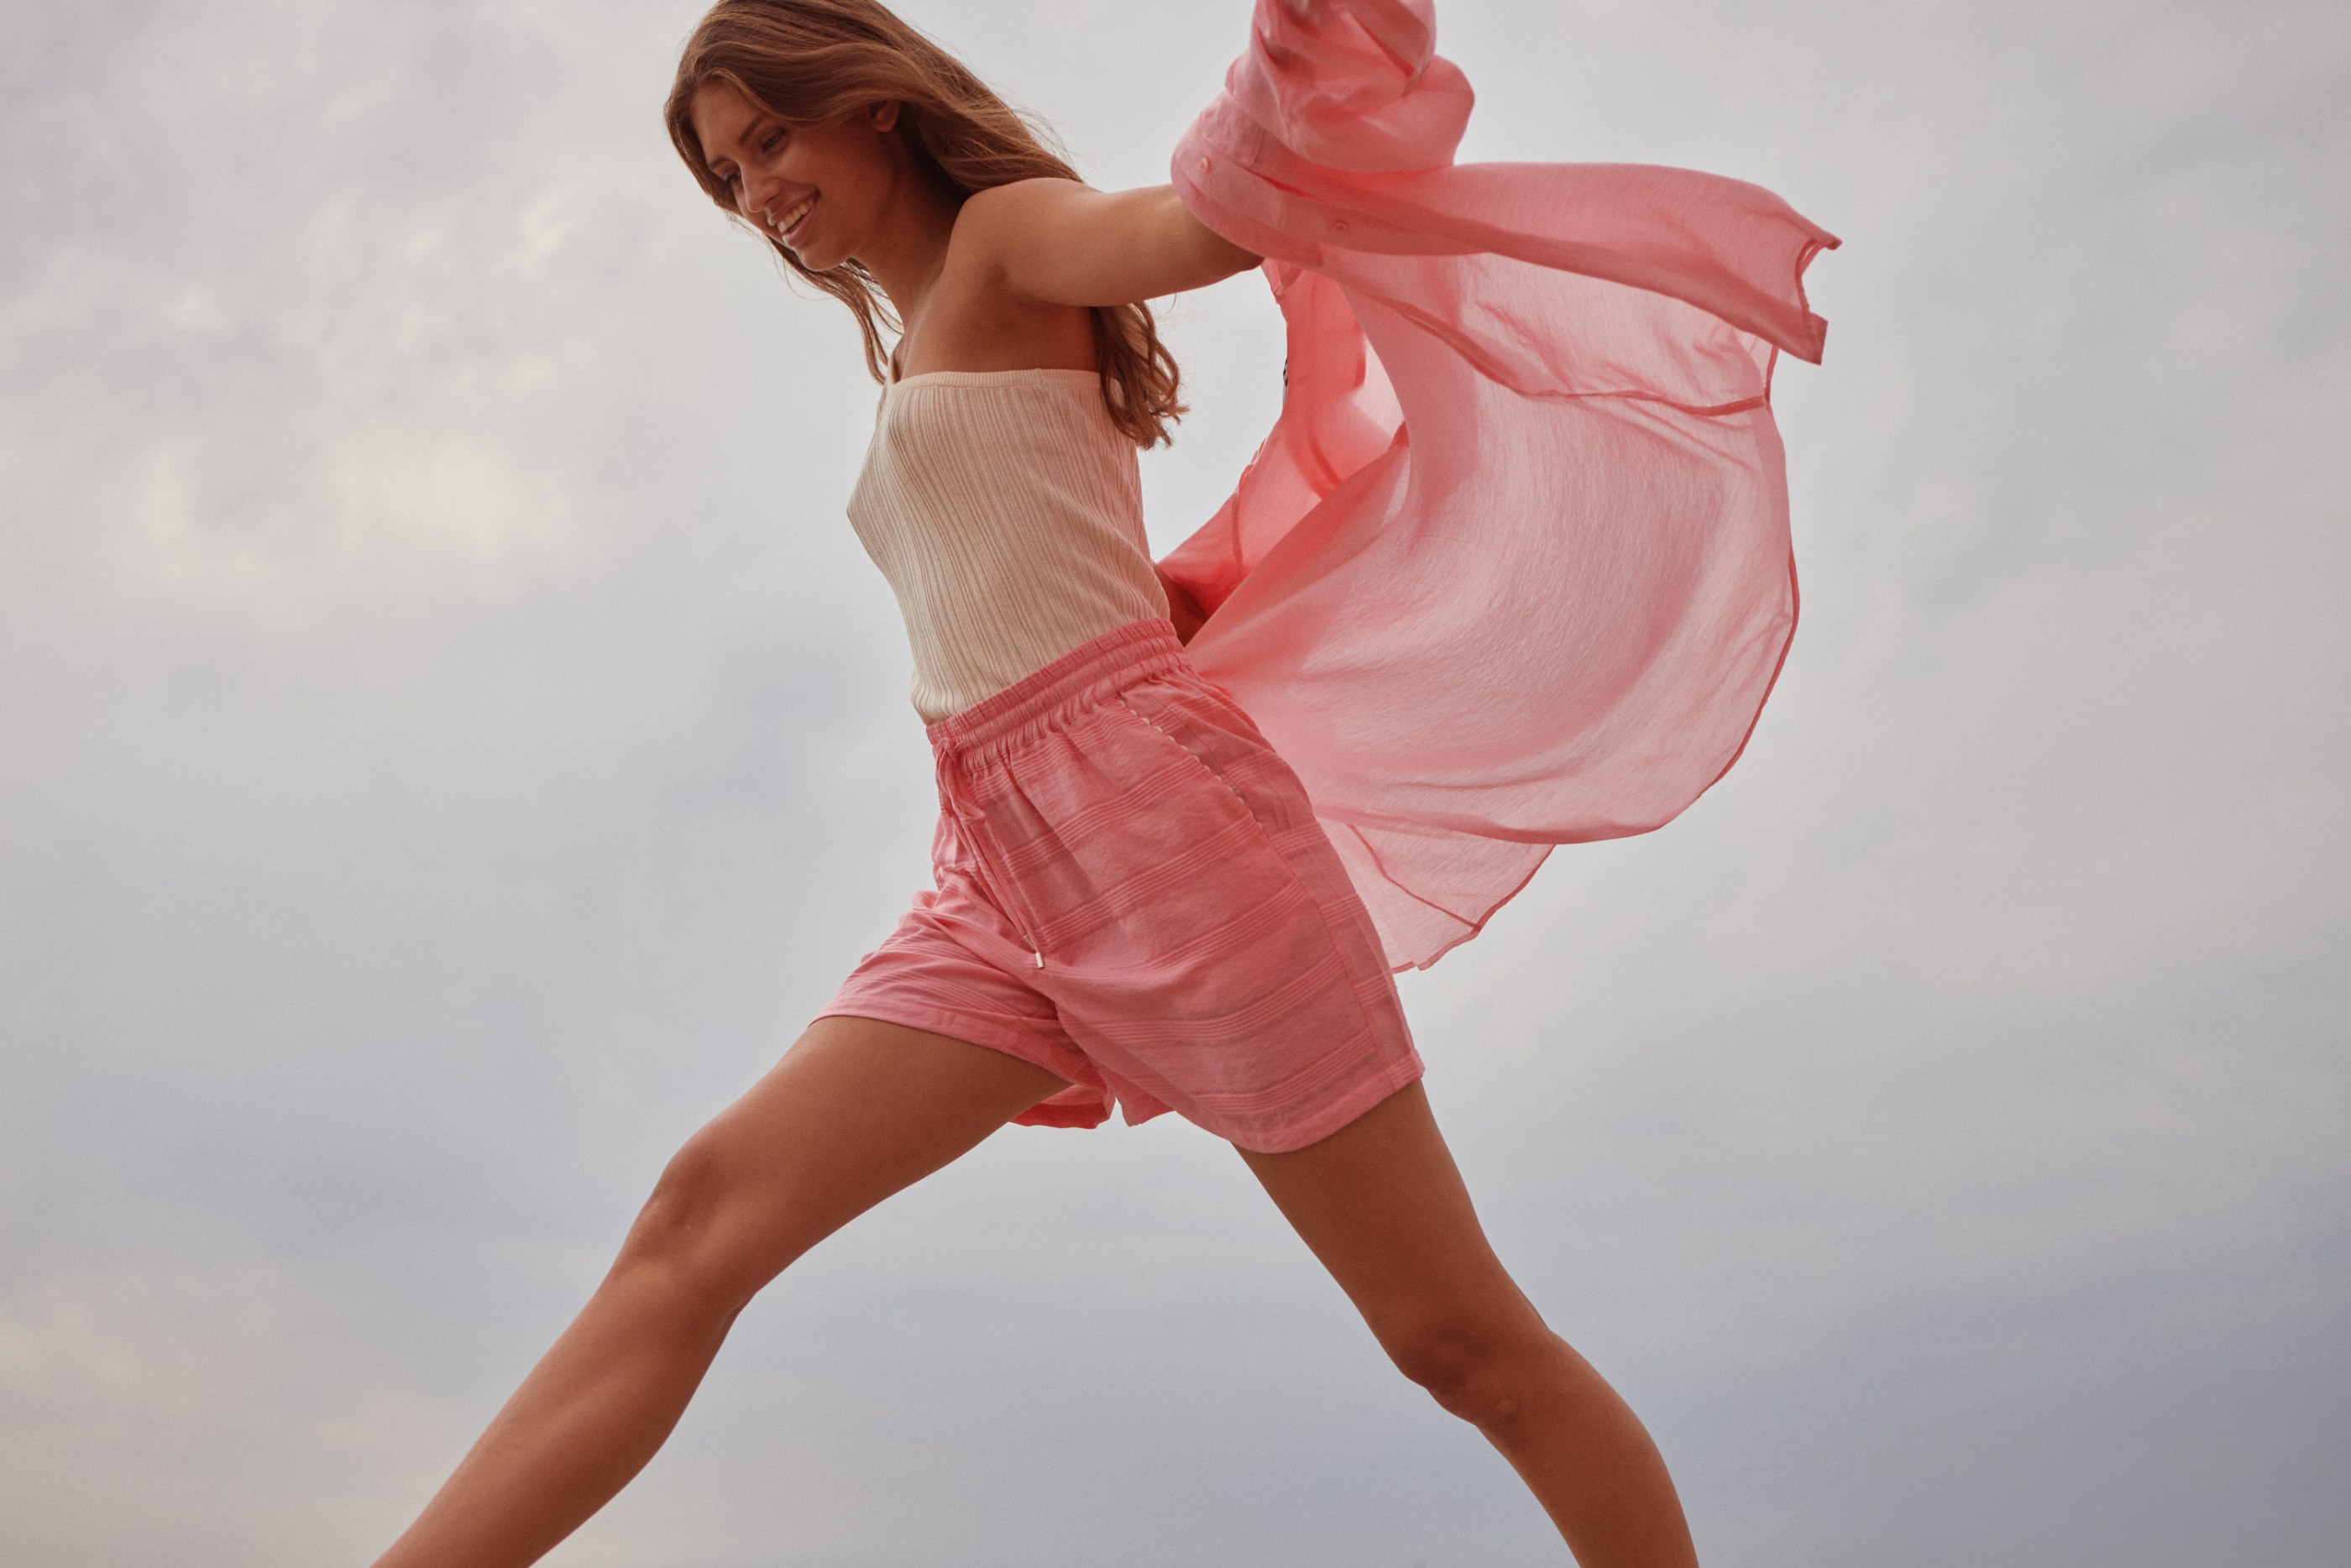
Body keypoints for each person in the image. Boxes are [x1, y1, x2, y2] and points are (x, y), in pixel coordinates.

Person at [373, 2, 1839, 1563]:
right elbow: (1048, 567)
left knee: (1457, 1343)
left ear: (869, 103)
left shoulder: (1008, 239)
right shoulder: (931, 323)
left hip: (1166, 836)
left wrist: (1300, 46)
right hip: (994, 867)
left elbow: (1201, 224)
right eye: (728, 175)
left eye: (770, 140)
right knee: (699, 1215)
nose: (757, 193)